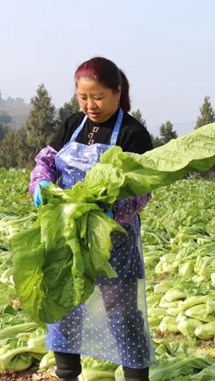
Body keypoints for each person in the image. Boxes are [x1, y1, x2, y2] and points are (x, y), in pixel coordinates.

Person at [28, 56, 155, 381]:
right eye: (83, 97)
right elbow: (48, 160)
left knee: (123, 314)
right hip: (67, 234)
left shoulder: (132, 133)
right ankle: (67, 374)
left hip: (114, 240)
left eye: (98, 97)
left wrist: (114, 212)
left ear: (117, 92)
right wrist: (41, 181)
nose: (90, 105)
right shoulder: (74, 123)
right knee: (65, 305)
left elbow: (142, 188)